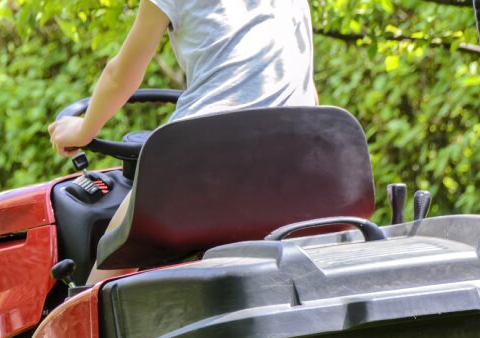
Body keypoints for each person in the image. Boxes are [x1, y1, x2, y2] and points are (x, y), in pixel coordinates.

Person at [48, 0, 318, 284]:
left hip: (207, 155)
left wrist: (83, 130)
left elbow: (121, 75)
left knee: (116, 247)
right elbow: (307, 88)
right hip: (297, 164)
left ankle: (87, 314)